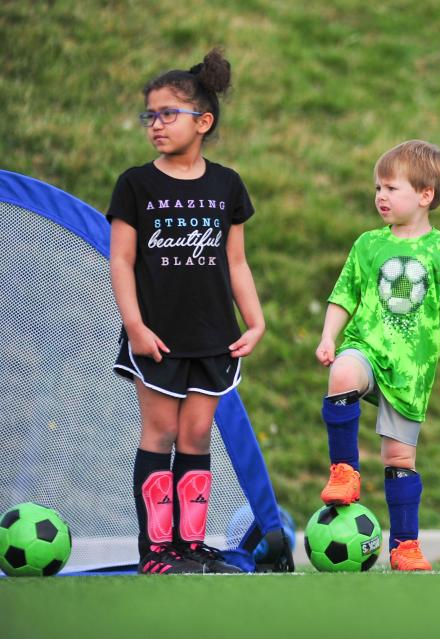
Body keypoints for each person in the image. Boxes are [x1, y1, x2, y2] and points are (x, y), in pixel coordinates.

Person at [109, 48, 265, 574]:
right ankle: (155, 552)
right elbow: (123, 261)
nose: (156, 124)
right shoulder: (136, 185)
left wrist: (256, 320)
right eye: (149, 115)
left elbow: (236, 262)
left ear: (203, 121)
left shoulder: (226, 185)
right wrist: (135, 326)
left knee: (197, 435)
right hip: (156, 335)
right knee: (160, 434)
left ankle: (189, 547)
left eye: (167, 114)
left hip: (214, 335)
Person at [315, 140, 440, 571]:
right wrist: (330, 336)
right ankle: (344, 472)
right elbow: (343, 296)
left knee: (400, 460)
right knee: (344, 373)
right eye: (377, 188)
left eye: (391, 188)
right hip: (367, 347)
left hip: (412, 370)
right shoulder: (368, 245)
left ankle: (404, 545)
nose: (380, 197)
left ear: (425, 195)